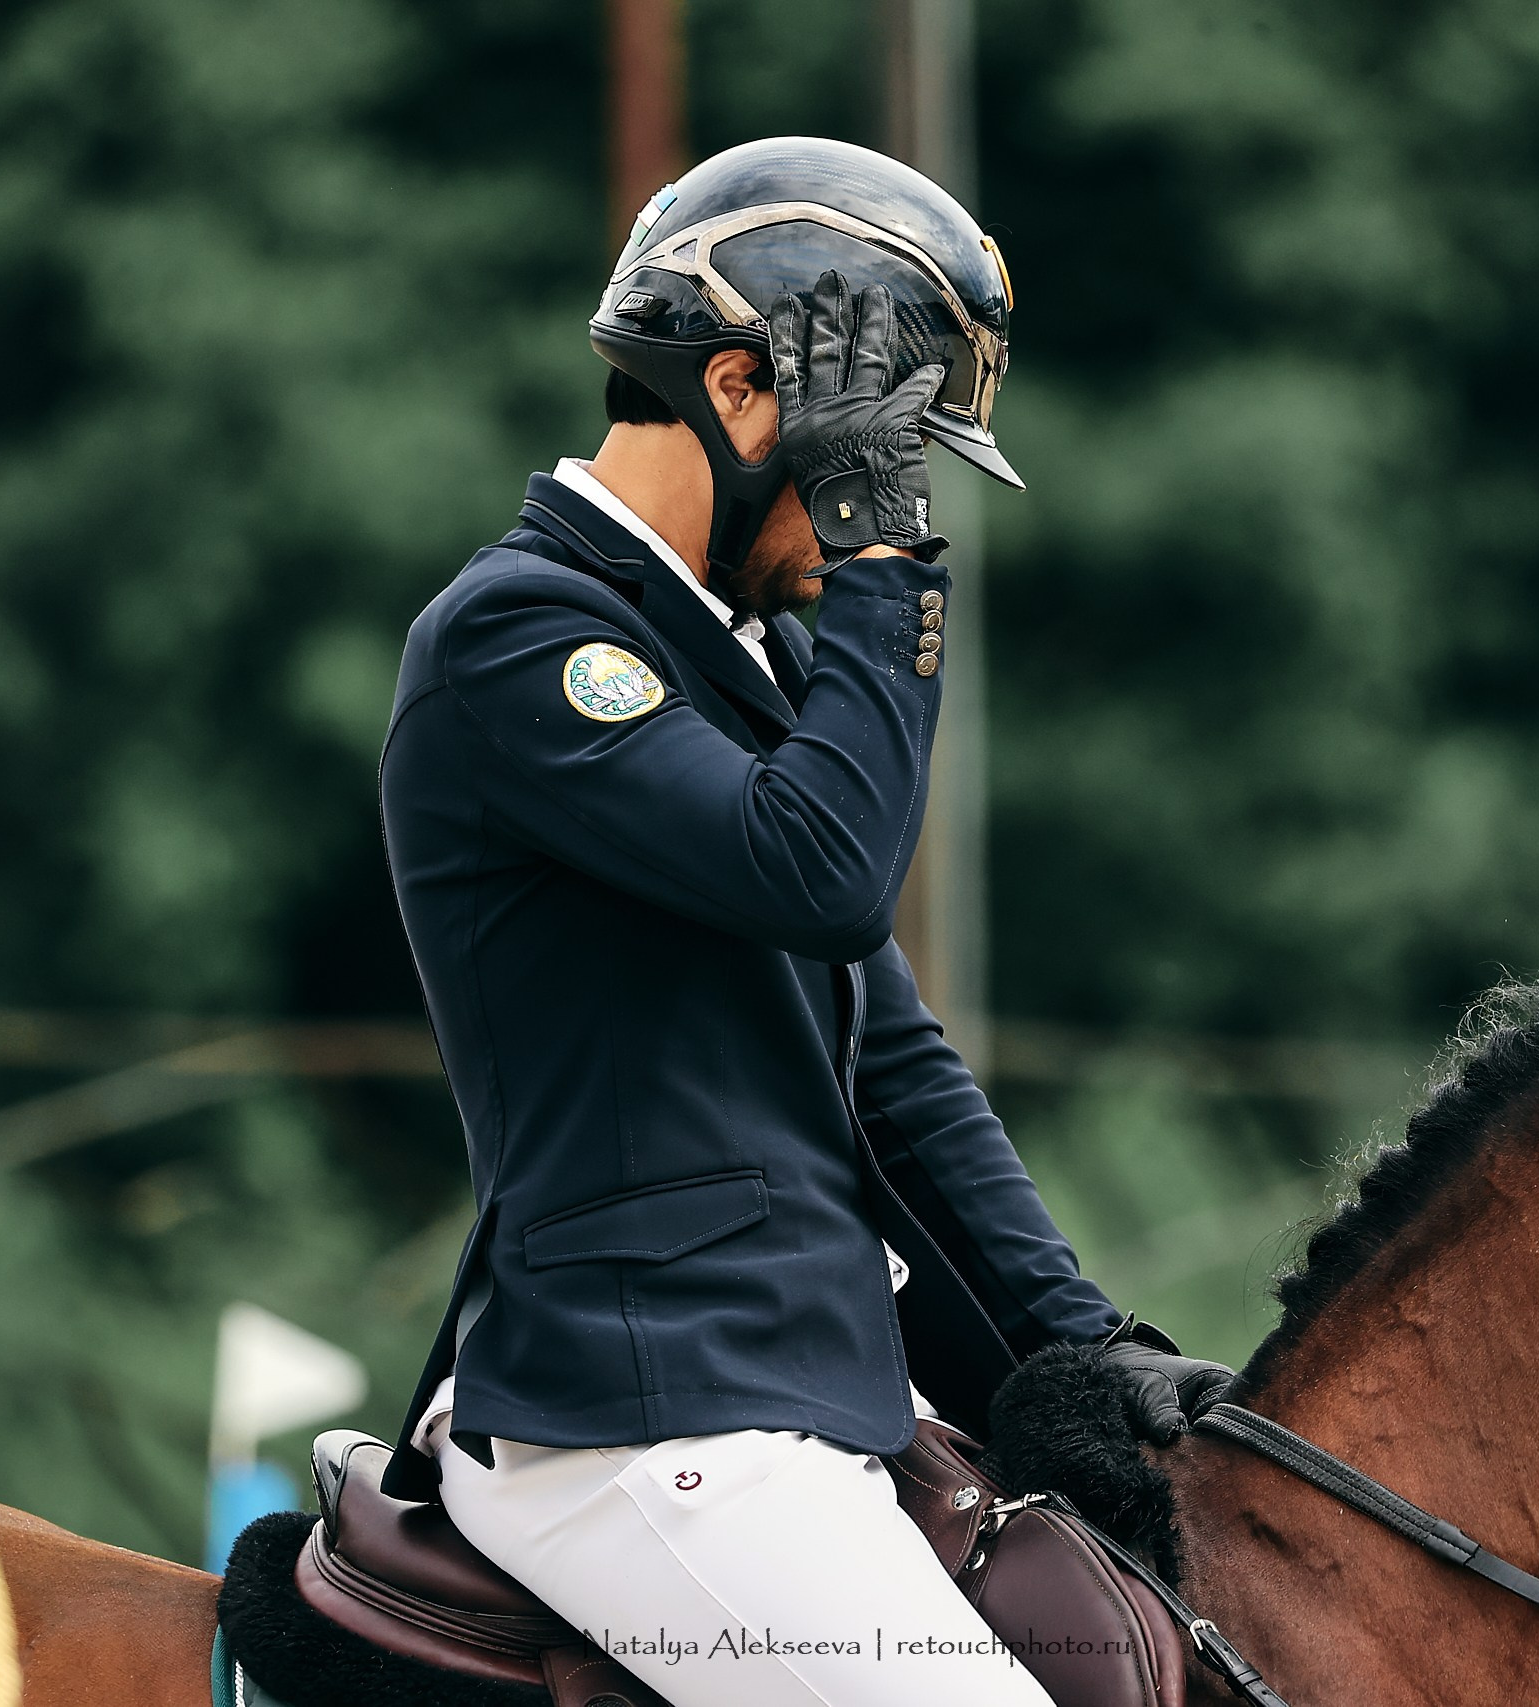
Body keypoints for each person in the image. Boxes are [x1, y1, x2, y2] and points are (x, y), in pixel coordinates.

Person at [374, 136, 1232, 1707]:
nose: (859, 522)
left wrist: (1083, 1350)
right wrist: (888, 567)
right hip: (645, 1417)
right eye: (871, 457)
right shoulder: (519, 638)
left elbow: (895, 1069)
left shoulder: (744, 668)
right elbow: (821, 870)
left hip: (798, 1404)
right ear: (748, 396)